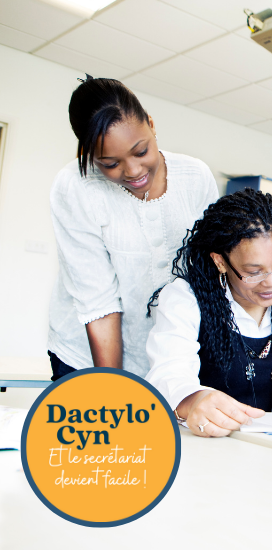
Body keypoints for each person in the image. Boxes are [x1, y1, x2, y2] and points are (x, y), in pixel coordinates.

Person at [48, 76, 219, 380]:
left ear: (151, 125)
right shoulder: (76, 186)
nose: (134, 171)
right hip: (89, 356)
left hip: (170, 355)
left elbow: (207, 274)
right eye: (110, 163)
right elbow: (98, 303)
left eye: (141, 152)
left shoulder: (196, 177)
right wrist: (114, 391)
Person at [145, 189, 272, 438]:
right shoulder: (184, 298)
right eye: (254, 271)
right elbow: (168, 377)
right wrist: (195, 400)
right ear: (220, 261)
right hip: (205, 447)